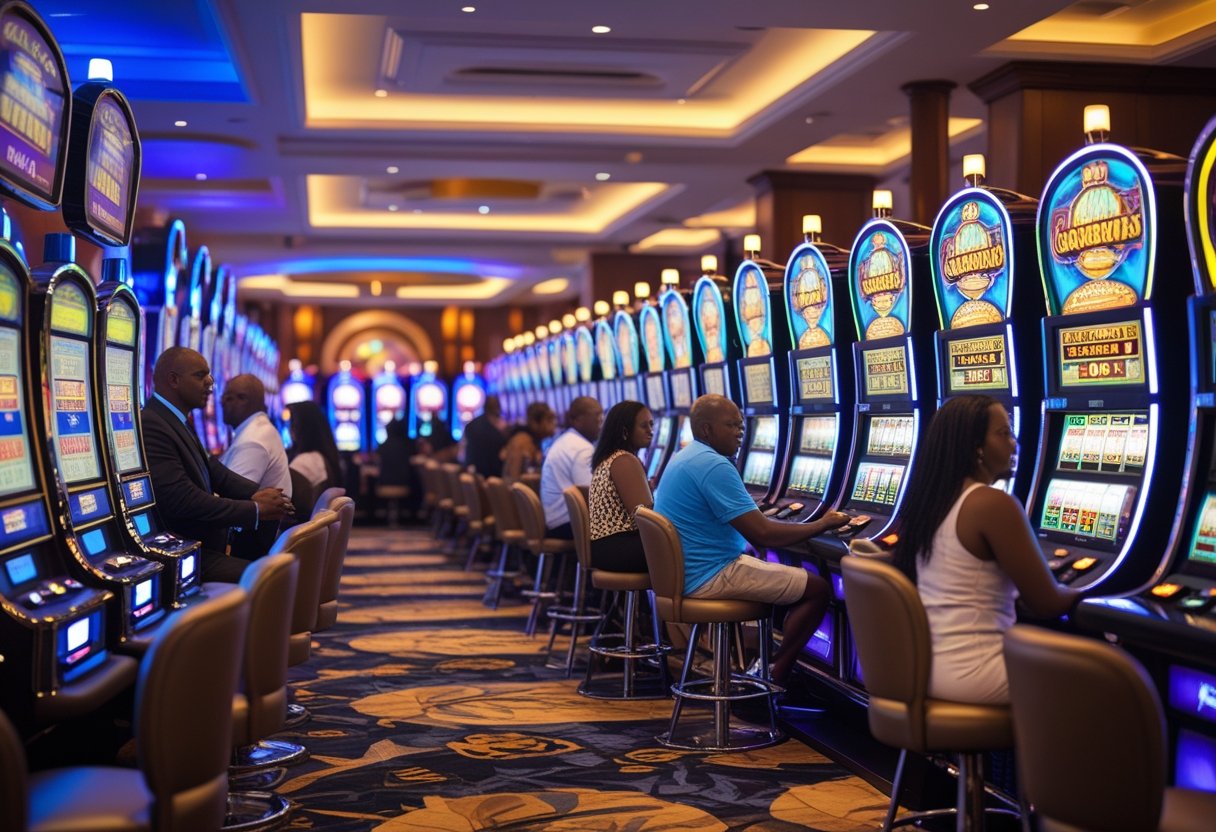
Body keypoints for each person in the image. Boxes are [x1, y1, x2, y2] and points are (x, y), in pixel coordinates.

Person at [891, 395, 1079, 705]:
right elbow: (1048, 604)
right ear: (976, 447)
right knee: (1113, 680)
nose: (1014, 445)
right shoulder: (992, 504)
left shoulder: (933, 501)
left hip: (930, 667)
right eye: (1004, 434)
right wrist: (1094, 590)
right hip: (977, 672)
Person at [653, 394, 849, 685]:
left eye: (741, 426)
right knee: (817, 589)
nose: (740, 433)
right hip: (710, 575)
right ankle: (775, 672)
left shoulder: (686, 457)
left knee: (760, 560)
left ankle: (754, 665)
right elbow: (764, 534)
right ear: (707, 429)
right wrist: (822, 524)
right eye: (731, 425)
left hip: (686, 575)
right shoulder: (714, 465)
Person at [142, 347, 294, 582]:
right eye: (200, 376)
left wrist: (257, 494)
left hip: (203, 546)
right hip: (184, 550)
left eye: (209, 376)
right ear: (174, 380)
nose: (210, 384)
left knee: (278, 574)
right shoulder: (152, 424)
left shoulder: (176, 420)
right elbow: (183, 499)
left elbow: (215, 471)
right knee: (272, 579)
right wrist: (254, 509)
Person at [220, 373, 292, 557]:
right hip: (259, 539)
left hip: (249, 548)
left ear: (244, 399)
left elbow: (229, 502)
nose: (221, 403)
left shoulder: (252, 441)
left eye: (227, 397)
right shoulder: (259, 429)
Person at [588, 401, 654, 573]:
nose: (651, 431)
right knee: (689, 547)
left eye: (651, 424)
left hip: (608, 547)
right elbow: (645, 515)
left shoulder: (611, 458)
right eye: (643, 426)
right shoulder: (624, 460)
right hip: (620, 547)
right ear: (625, 431)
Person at [539, 397, 604, 539]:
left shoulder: (567, 441)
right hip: (567, 525)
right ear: (578, 420)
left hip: (556, 521)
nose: (601, 421)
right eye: (597, 416)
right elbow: (592, 497)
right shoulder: (581, 449)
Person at [288, 399, 343, 494]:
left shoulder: (306, 461)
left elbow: (285, 494)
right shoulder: (319, 457)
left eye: (292, 423)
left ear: (302, 427)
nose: (289, 429)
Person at [501, 401, 556, 484]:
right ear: (534, 423)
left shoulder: (536, 441)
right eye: (549, 420)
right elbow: (512, 480)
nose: (554, 424)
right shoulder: (521, 440)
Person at [462, 394, 507, 477]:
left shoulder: (471, 425)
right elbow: (502, 455)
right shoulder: (497, 430)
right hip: (492, 475)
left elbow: (463, 452)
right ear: (498, 408)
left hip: (473, 472)